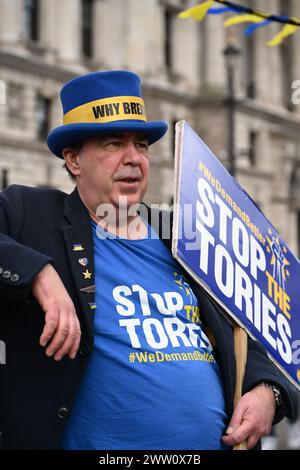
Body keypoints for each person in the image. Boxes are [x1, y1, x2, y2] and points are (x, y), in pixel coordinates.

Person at [0, 70, 295, 450]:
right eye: (113, 144)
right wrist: (38, 274)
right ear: (73, 160)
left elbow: (255, 323)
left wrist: (267, 391)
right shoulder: (32, 213)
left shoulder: (185, 235)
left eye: (141, 145)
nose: (133, 159)